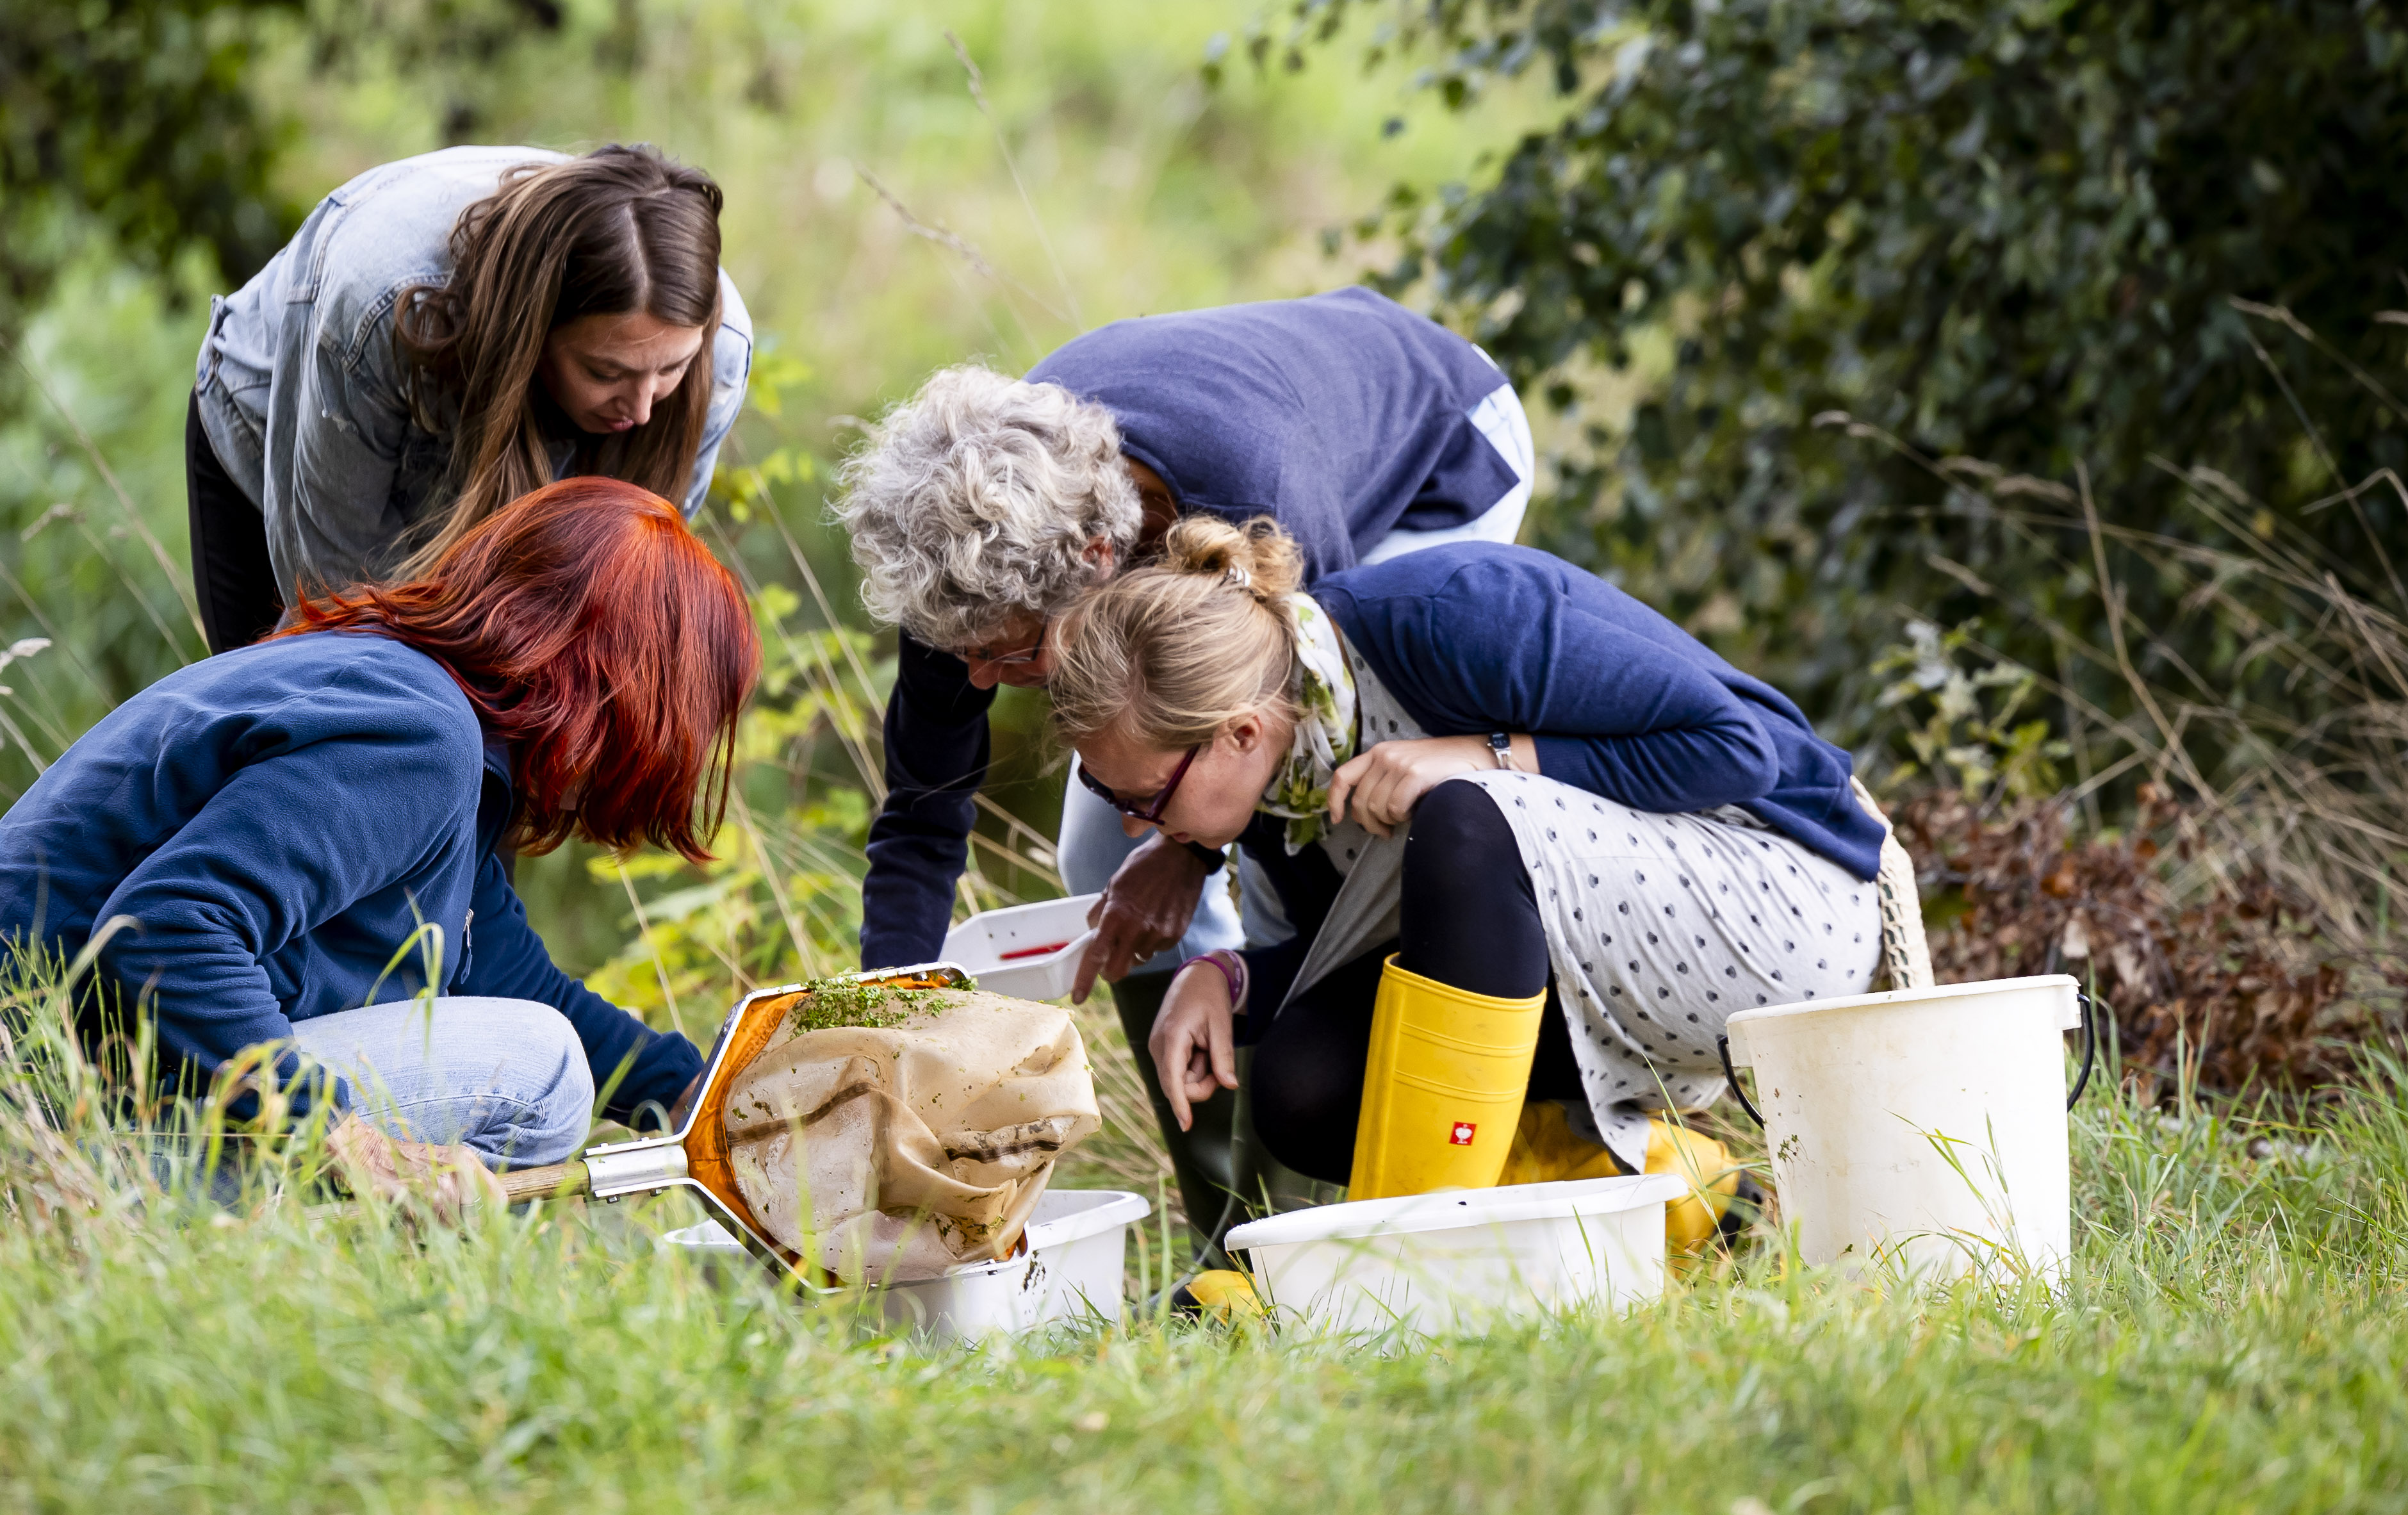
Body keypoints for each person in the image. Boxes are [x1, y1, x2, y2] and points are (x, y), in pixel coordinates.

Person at [830, 288, 1537, 1243]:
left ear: (1097, 566)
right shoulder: (960, 577)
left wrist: (1188, 850)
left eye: (1013, 658)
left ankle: (1316, 1224)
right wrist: (893, 1024)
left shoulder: (1249, 495)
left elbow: (1292, 741)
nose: (981, 680)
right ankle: (1224, 1221)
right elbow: (923, 813)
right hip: (1254, 440)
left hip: (1435, 457)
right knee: (1096, 855)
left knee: (1332, 825)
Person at [1042, 514, 1887, 1274]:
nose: (1132, 828)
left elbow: (1739, 748)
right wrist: (1230, 980)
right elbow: (1441, 947)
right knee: (1305, 1084)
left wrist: (1489, 756)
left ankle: (1396, 1271)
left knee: (1465, 815)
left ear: (1240, 733)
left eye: (1142, 799)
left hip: (1781, 916)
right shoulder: (1276, 796)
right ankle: (1692, 1196)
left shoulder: (1452, 613)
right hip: (1594, 973)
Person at [0, 478, 745, 1208]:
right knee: (543, 1070)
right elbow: (163, 930)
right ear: (624, 689)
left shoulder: (418, 711)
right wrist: (343, 1136)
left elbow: (507, 977)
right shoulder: (418, 741)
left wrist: (695, 1090)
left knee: (539, 1034)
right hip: (0, 1120)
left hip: (13, 1081)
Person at [186, 142, 755, 653]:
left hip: (470, 433)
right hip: (277, 433)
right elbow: (333, 607)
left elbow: (618, 606)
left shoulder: (720, 354)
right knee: (301, 719)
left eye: (671, 369)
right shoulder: (381, 310)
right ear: (537, 331)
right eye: (606, 372)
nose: (642, 408)